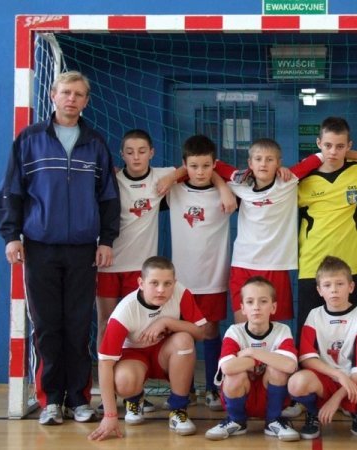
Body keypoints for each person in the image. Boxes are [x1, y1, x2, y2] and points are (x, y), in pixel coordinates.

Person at [0, 71, 120, 425]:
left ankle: (79, 400)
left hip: (82, 249)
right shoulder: (30, 139)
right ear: (53, 95)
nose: (71, 99)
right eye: (66, 92)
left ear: (86, 101)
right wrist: (11, 235)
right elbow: (11, 191)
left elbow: (109, 197)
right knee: (47, 326)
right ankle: (50, 400)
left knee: (78, 326)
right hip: (40, 247)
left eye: (78, 94)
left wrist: (106, 240)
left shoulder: (95, 143)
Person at [95, 130, 174, 414]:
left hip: (140, 271)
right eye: (129, 152)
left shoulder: (160, 176)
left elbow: (188, 168)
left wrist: (173, 178)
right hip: (108, 264)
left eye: (142, 151)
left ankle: (134, 393)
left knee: (137, 328)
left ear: (152, 152)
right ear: (122, 154)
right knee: (106, 324)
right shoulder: (112, 180)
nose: (136, 157)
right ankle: (108, 390)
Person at [88, 256, 206, 441]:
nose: (161, 289)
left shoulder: (181, 293)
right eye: (154, 283)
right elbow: (105, 364)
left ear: (174, 283)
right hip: (134, 357)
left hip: (164, 354)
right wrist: (110, 416)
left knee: (184, 340)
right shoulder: (124, 311)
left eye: (167, 283)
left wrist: (167, 322)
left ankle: (178, 410)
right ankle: (134, 399)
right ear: (141, 283)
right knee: (124, 382)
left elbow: (201, 333)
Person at [213, 138, 324, 324]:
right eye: (258, 159)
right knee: (243, 325)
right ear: (250, 163)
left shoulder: (288, 180)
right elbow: (212, 164)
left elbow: (322, 156)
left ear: (279, 163)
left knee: (273, 328)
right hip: (243, 263)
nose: (263, 164)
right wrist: (223, 187)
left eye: (270, 159)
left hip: (275, 264)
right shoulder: (239, 182)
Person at [296, 117, 357, 332]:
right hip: (312, 263)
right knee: (308, 329)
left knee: (346, 330)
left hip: (349, 264)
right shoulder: (303, 178)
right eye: (328, 145)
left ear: (349, 146)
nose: (333, 152)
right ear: (318, 143)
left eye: (340, 146)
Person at [288, 256, 357, 440]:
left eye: (340, 284)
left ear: (351, 287)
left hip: (355, 379)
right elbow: (307, 359)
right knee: (296, 384)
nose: (334, 290)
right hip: (327, 378)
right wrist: (338, 375)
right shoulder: (314, 316)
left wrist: (336, 398)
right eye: (327, 285)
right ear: (319, 290)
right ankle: (314, 412)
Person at [166, 135, 235, 411]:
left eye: (206, 166)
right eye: (193, 166)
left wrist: (223, 185)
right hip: (181, 280)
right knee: (182, 334)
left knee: (209, 331)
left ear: (215, 164)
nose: (200, 171)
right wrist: (178, 174)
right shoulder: (174, 189)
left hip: (213, 277)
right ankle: (185, 389)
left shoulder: (228, 189)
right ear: (184, 165)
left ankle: (211, 388)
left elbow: (236, 173)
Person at [205, 277, 300, 441]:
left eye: (263, 301)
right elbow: (227, 368)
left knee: (278, 370)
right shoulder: (234, 331)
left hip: (271, 399)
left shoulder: (282, 330)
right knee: (235, 374)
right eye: (250, 302)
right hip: (241, 397)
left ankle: (273, 421)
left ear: (273, 307)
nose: (256, 307)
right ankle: (236, 421)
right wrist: (265, 359)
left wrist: (252, 353)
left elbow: (290, 365)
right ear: (242, 308)